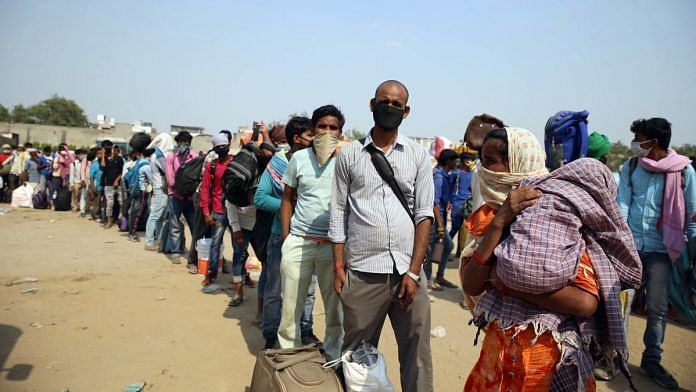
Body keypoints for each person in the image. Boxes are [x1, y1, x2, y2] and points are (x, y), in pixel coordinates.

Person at [461, 127, 642, 391]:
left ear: (518, 163)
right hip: (498, 356)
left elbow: (584, 302)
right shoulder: (490, 215)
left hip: (549, 360)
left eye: (490, 162)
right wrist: (500, 221)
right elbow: (472, 284)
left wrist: (505, 282)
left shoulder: (558, 213)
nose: (482, 169)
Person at [330, 80, 434, 391]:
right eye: (384, 102)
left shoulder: (418, 155)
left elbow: (424, 214)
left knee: (417, 355)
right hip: (363, 271)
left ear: (406, 112)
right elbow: (338, 213)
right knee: (357, 356)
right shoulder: (349, 156)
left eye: (396, 104)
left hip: (407, 272)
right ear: (372, 105)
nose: (389, 108)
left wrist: (414, 272)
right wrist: (338, 266)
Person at [617, 118, 696, 390]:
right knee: (621, 304)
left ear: (655, 142)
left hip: (664, 251)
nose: (635, 145)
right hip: (633, 248)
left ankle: (652, 359)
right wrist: (622, 243)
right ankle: (617, 356)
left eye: (639, 139)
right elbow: (623, 206)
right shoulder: (630, 167)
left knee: (657, 309)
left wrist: (693, 250)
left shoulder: (685, 172)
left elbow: (692, 215)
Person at [277, 104, 346, 361]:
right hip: (300, 241)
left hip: (333, 246)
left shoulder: (346, 160)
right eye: (322, 126)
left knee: (335, 309)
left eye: (333, 127)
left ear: (340, 131)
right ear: (313, 129)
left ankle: (333, 357)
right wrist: (287, 239)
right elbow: (287, 198)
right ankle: (288, 358)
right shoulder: (299, 159)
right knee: (291, 307)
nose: (327, 132)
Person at [254, 116, 319, 349]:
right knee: (275, 289)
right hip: (280, 235)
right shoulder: (278, 164)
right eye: (312, 135)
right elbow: (260, 198)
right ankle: (271, 333)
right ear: (297, 139)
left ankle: (305, 328)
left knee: (309, 289)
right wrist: (287, 206)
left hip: (310, 236)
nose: (316, 139)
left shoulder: (317, 163)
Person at [199, 133, 234, 286]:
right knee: (215, 243)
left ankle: (243, 275)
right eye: (218, 147)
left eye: (223, 146)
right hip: (218, 211)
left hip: (235, 211)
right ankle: (211, 274)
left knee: (240, 244)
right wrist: (206, 212)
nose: (221, 149)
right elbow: (205, 190)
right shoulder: (210, 166)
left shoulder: (236, 163)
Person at [425, 148, 458, 291]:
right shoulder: (438, 177)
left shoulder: (443, 175)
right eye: (454, 160)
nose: (456, 163)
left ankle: (439, 276)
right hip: (435, 219)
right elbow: (434, 203)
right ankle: (428, 279)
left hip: (439, 217)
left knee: (446, 246)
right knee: (430, 248)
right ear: (448, 161)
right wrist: (439, 224)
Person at [165, 131, 197, 270]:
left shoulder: (195, 157)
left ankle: (194, 252)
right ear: (177, 143)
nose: (183, 144)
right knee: (175, 224)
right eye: (181, 142)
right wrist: (180, 188)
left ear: (190, 143)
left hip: (190, 198)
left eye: (186, 142)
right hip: (175, 196)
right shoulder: (171, 157)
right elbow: (170, 178)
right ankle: (176, 252)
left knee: (194, 226)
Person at [144, 134, 174, 250]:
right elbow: (167, 170)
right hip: (161, 187)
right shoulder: (160, 156)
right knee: (155, 216)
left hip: (159, 187)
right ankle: (149, 242)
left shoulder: (156, 155)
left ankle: (159, 241)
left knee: (160, 217)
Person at [449, 146, 476, 243]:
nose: (469, 161)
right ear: (462, 160)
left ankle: (459, 252)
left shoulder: (474, 173)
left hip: (469, 204)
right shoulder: (456, 173)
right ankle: (445, 248)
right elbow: (449, 188)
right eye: (467, 159)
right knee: (455, 227)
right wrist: (449, 202)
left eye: (471, 159)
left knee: (467, 229)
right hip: (457, 203)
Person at [126, 148, 153, 242]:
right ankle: (132, 233)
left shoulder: (139, 162)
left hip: (135, 189)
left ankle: (132, 230)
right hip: (142, 190)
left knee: (134, 211)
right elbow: (152, 180)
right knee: (137, 212)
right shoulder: (146, 166)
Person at [99, 140, 124, 229]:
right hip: (108, 185)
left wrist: (117, 180)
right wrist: (102, 155)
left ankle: (121, 220)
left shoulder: (119, 158)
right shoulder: (103, 159)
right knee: (109, 204)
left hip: (118, 184)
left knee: (121, 203)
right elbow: (102, 167)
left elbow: (122, 172)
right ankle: (109, 221)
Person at [88, 149, 104, 222]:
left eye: (101, 153)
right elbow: (91, 176)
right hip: (97, 185)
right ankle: (96, 215)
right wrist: (92, 186)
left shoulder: (105, 162)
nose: (100, 155)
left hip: (104, 185)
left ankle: (101, 215)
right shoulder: (95, 164)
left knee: (103, 202)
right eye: (98, 153)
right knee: (97, 201)